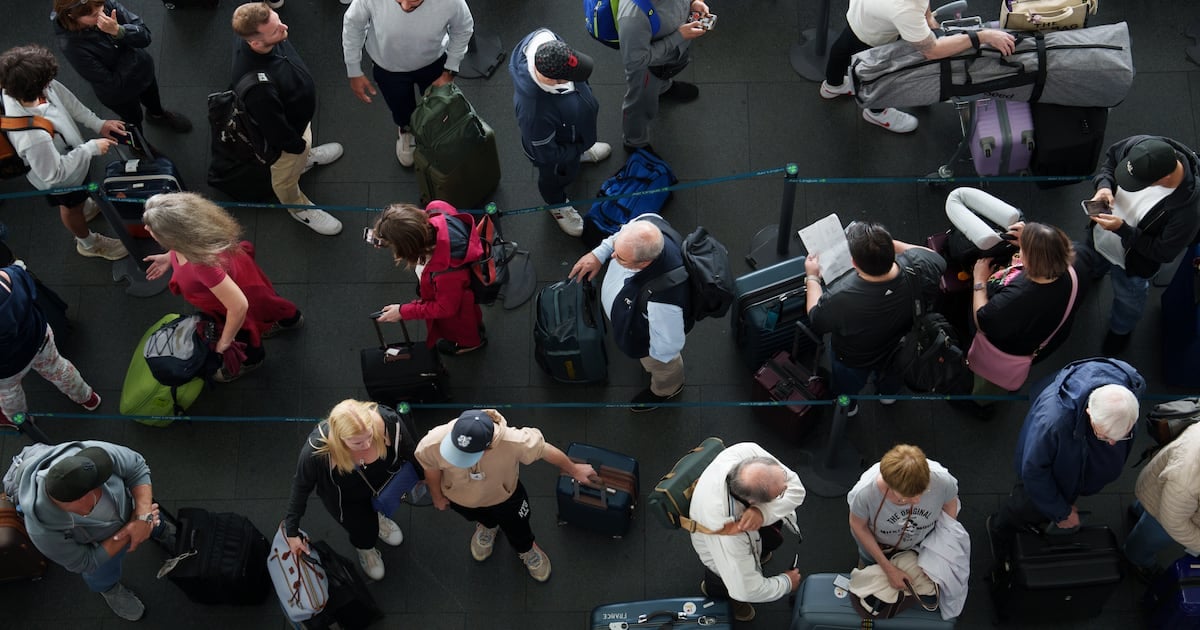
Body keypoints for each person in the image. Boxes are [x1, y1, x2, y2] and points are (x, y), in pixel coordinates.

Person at [414, 409, 595, 582]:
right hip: (461, 498)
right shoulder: (432, 443)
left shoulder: (513, 441)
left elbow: (544, 450)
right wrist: (437, 496)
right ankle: (487, 527)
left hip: (505, 498)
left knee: (519, 527)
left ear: (488, 446)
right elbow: (432, 470)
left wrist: (574, 470)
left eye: (466, 456)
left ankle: (526, 549)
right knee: (481, 517)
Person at [141, 192, 304, 382]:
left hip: (231, 299)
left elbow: (238, 306)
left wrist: (225, 341)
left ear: (174, 236)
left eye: (152, 229)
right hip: (243, 278)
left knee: (243, 333)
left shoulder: (201, 265)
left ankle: (252, 360)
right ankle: (290, 320)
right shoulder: (196, 230)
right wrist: (170, 257)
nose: (146, 228)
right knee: (268, 302)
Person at [988, 359, 1145, 554]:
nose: (1113, 443)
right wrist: (1060, 512)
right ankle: (1000, 528)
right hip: (1054, 470)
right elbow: (1034, 471)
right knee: (1026, 503)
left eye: (1123, 434)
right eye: (1104, 436)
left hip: (1075, 465)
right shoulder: (1053, 422)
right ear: (1089, 412)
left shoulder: (1131, 388)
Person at [2, 441, 170, 621]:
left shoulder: (87, 455)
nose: (103, 483)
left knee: (151, 518)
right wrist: (132, 528)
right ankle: (108, 589)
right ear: (81, 500)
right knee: (101, 573)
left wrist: (143, 515)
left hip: (136, 513)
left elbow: (136, 465)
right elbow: (86, 561)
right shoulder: (42, 531)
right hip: (101, 546)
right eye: (96, 486)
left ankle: (158, 530)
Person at [1073, 135, 1200, 354]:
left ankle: (1120, 331)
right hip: (1099, 238)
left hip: (1132, 263)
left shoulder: (1188, 212)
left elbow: (1162, 252)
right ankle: (1093, 273)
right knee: (1090, 265)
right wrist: (1104, 186)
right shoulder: (1142, 148)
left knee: (1128, 301)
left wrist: (1121, 229)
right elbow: (1111, 160)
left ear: (1165, 177)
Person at [0, 44, 128, 261]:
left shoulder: (24, 87)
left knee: (80, 200)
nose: (52, 83)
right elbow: (53, 175)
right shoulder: (31, 137)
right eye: (48, 82)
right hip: (62, 182)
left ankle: (85, 208)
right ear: (36, 87)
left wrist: (98, 124)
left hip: (73, 161)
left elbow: (66, 99)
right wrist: (90, 149)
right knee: (70, 208)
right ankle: (87, 243)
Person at [804, 221, 945, 414]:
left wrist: (812, 278)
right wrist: (882, 244)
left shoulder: (841, 297)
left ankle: (850, 407)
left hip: (855, 358)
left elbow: (816, 318)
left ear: (853, 263)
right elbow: (934, 257)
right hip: (903, 346)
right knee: (894, 374)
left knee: (847, 385)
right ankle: (888, 395)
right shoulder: (920, 265)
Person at [231, 1, 344, 236]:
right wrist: (297, 147)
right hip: (287, 142)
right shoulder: (258, 89)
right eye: (275, 30)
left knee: (302, 150)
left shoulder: (269, 37)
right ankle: (298, 208)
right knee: (284, 179)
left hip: (298, 122)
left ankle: (306, 158)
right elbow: (276, 131)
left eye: (277, 19)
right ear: (255, 42)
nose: (284, 27)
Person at [820, 0, 1014, 134]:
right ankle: (875, 112)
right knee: (878, 73)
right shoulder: (905, 9)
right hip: (875, 37)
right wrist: (982, 36)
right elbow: (933, 51)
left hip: (858, 15)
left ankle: (833, 85)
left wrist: (927, 17)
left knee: (842, 47)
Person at [283, 399, 423, 581]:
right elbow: (301, 487)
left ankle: (379, 519)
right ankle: (366, 549)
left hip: (382, 485)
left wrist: (424, 477)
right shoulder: (316, 452)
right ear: (339, 438)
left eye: (370, 436)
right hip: (347, 500)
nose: (366, 445)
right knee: (362, 530)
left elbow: (410, 450)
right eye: (357, 443)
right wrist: (292, 531)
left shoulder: (388, 421)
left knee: (380, 507)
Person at [959, 189, 1078, 393]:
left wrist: (979, 280)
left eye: (1023, 250)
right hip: (1040, 339)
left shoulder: (1016, 298)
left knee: (984, 386)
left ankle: (982, 400)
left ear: (1029, 263)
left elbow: (983, 320)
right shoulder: (1066, 271)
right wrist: (1032, 238)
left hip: (1005, 347)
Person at [569, 216, 689, 411]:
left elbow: (668, 345)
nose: (613, 256)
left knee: (663, 366)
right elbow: (620, 235)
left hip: (652, 344)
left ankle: (668, 388)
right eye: (615, 249)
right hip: (631, 316)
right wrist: (599, 254)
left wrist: (642, 349)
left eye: (621, 258)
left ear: (643, 264)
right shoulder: (648, 221)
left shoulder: (664, 304)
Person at [342, 0, 473, 167]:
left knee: (439, 104)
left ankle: (440, 130)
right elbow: (353, 24)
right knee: (400, 107)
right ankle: (407, 129)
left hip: (433, 62)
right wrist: (353, 69)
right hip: (388, 68)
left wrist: (450, 70)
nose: (404, 7)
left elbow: (463, 28)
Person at [509, 29, 612, 237]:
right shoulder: (534, 112)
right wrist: (574, 151)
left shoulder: (548, 40)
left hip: (575, 133)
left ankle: (583, 149)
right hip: (558, 155)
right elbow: (545, 153)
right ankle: (556, 204)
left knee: (576, 152)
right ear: (554, 80)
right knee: (554, 177)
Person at [688, 442, 804, 622]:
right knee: (721, 578)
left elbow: (796, 488)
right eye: (779, 494)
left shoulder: (746, 452)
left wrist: (763, 513)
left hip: (751, 524)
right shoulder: (728, 532)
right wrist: (787, 583)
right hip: (717, 552)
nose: (786, 490)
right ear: (752, 501)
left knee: (763, 542)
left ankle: (759, 554)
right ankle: (723, 599)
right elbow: (746, 589)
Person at [52, 0, 192, 134]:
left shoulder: (104, 5)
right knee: (133, 120)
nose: (103, 16)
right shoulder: (71, 45)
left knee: (153, 100)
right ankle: (139, 147)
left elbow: (145, 37)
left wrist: (119, 31)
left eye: (101, 8)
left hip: (143, 70)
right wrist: (133, 57)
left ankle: (157, 116)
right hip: (119, 95)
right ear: (72, 16)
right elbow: (110, 83)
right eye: (94, 15)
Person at [370, 201, 487, 355]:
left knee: (465, 329)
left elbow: (445, 308)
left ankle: (471, 344)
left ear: (408, 248)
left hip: (459, 311)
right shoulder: (437, 209)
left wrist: (403, 311)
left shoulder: (447, 274)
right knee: (471, 321)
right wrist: (388, 238)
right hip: (458, 293)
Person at [1, 260, 101, 428]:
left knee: (10, 396)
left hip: (6, 369)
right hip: (38, 338)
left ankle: (21, 421)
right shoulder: (7, 278)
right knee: (58, 368)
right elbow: (21, 269)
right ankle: (87, 397)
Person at [847, 445, 959, 586]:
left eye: (923, 491)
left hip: (921, 542)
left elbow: (950, 504)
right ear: (889, 486)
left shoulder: (942, 480)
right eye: (907, 497)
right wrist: (889, 570)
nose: (917, 500)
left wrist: (938, 551)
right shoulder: (864, 494)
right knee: (869, 567)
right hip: (880, 545)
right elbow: (858, 526)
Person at [619, 0, 709, 151]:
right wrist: (679, 37)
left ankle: (663, 88)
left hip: (668, 56)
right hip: (647, 68)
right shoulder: (633, 16)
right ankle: (634, 142)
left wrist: (694, 2)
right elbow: (635, 61)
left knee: (660, 78)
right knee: (640, 104)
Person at [1125, 422, 1200, 579]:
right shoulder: (1187, 479)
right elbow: (1173, 523)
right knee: (1146, 539)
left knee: (1147, 508)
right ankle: (1136, 560)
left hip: (1160, 486)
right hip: (1166, 510)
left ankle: (1137, 510)